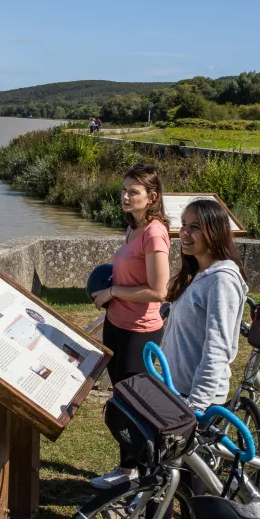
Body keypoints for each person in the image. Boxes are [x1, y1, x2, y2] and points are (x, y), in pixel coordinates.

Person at [89, 163, 171, 489]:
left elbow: (158, 290)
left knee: (138, 409)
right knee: (122, 402)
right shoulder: (133, 227)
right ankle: (128, 471)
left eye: (133, 192)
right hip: (116, 325)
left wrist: (112, 291)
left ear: (151, 197)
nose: (125, 196)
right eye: (123, 190)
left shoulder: (154, 233)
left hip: (139, 333)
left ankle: (147, 477)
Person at [161, 198, 249, 415]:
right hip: (176, 390)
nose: (184, 233)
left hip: (197, 400)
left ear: (214, 232)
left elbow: (217, 349)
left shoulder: (222, 281)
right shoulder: (198, 274)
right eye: (183, 224)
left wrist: (196, 405)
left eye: (195, 227)